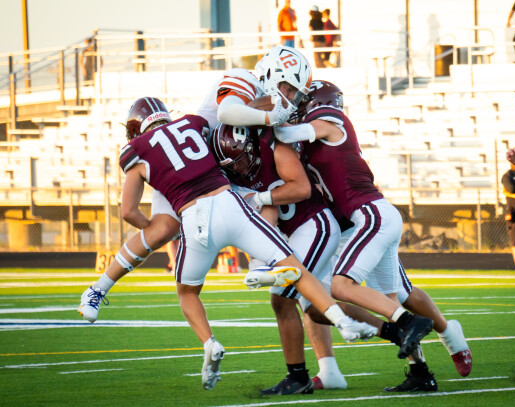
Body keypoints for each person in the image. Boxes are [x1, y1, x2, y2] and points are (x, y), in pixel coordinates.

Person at [79, 96, 387, 391]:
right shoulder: (193, 123)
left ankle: (208, 342)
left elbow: (128, 211)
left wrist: (155, 227)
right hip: (230, 204)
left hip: (195, 216)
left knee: (187, 292)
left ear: (134, 129)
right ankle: (341, 321)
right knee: (294, 269)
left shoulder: (135, 150)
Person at [278, 80, 473, 390]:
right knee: (388, 298)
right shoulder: (315, 141)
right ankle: (420, 373)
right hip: (364, 219)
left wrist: (261, 120)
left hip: (369, 216)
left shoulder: (330, 119)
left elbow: (287, 133)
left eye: (303, 102)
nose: (298, 107)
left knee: (344, 287)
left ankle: (426, 327)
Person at [211, 123, 421, 394]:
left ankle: (297, 377)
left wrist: (259, 201)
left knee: (281, 299)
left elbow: (301, 189)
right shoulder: (237, 176)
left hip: (314, 225)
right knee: (314, 310)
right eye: (232, 165)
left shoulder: (276, 149)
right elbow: (266, 220)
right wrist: (257, 259)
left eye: (240, 161)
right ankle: (396, 332)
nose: (238, 169)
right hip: (299, 233)